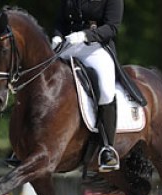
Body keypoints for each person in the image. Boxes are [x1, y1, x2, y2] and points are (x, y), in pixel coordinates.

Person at [51, 0, 126, 172]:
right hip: (68, 45)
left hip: (95, 48)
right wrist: (56, 36)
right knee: (40, 75)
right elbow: (60, 21)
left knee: (106, 91)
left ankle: (107, 147)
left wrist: (85, 35)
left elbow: (112, 28)